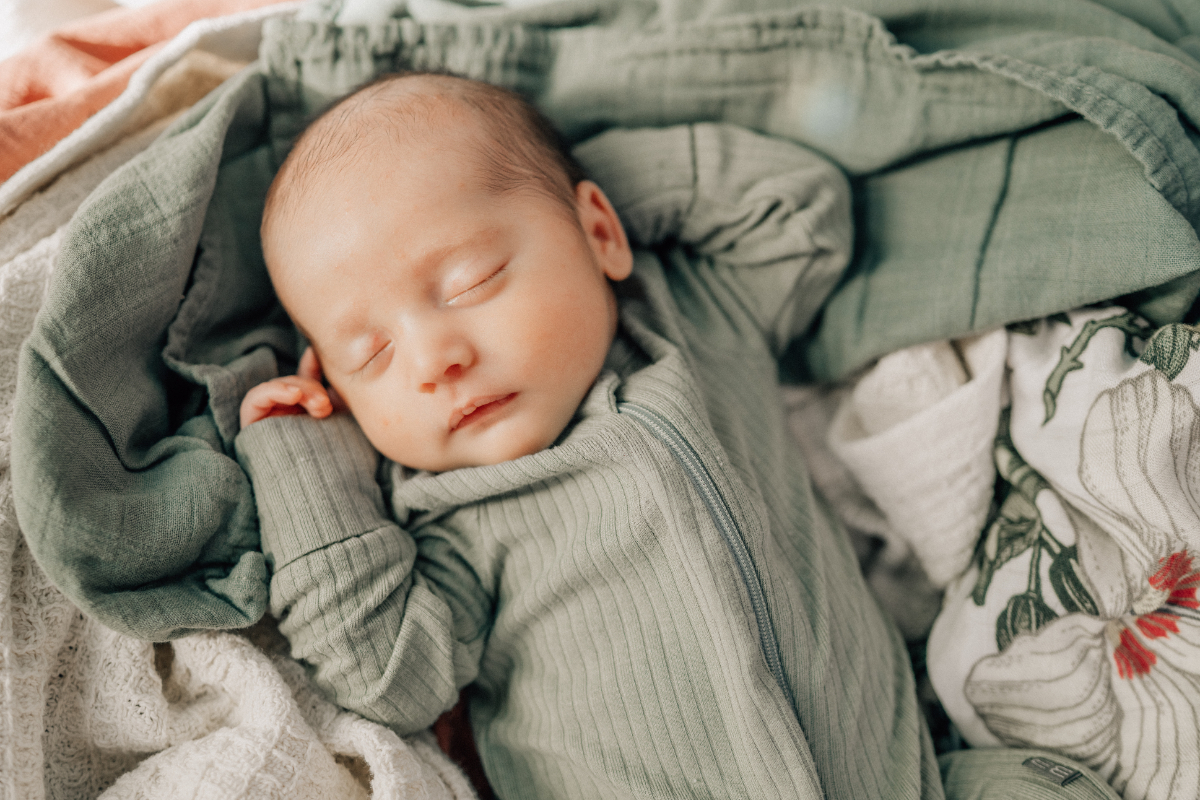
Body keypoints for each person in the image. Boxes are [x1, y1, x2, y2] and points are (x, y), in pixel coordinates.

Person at [234, 71, 941, 799]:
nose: (432, 362)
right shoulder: (450, 515)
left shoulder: (697, 318)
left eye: (471, 281)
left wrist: (565, 186)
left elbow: (798, 213)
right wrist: (306, 458)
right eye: (370, 354)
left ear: (600, 231)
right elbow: (385, 678)